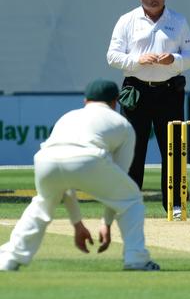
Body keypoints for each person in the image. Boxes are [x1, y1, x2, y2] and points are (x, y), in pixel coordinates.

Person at [0, 79, 159, 271]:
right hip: (88, 158)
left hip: (45, 161)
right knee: (132, 197)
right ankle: (137, 258)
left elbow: (65, 182)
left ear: (86, 101)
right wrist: (106, 223)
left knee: (43, 204)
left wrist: (77, 224)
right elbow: (120, 179)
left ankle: (10, 258)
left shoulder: (68, 117)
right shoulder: (122, 124)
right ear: (116, 101)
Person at [107, 0, 190, 220]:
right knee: (133, 150)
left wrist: (174, 59)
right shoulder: (127, 20)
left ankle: (175, 205)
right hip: (136, 89)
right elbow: (112, 56)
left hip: (169, 91)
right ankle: (129, 204)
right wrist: (138, 60)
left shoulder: (178, 21)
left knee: (174, 148)